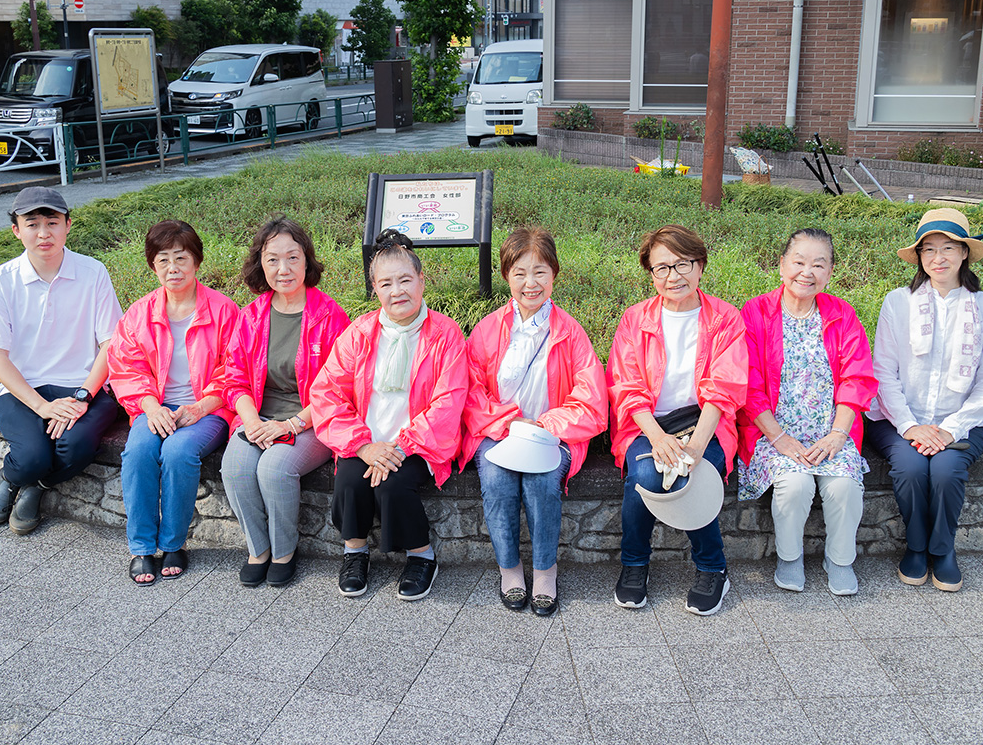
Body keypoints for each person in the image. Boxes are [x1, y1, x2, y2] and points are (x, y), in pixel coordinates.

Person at [310, 229, 468, 602]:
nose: (397, 291)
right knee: (349, 477)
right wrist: (364, 446)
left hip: (418, 443)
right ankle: (354, 551)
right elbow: (327, 393)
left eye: (405, 280)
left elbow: (449, 401)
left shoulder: (445, 334)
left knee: (394, 484)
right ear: (375, 290)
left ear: (421, 280)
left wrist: (399, 448)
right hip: (365, 439)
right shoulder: (360, 334)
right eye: (386, 283)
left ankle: (420, 555)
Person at [460, 227, 607, 616]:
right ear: (507, 275)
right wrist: (508, 423)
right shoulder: (488, 329)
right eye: (520, 273)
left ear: (554, 274)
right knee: (496, 479)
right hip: (498, 431)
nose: (530, 283)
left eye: (540, 272)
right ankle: (509, 569)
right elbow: (471, 392)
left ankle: (545, 571)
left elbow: (592, 401)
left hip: (550, 434)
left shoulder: (570, 332)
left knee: (543, 481)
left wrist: (547, 425)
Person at [608, 224, 748, 615]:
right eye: (662, 268)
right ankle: (634, 564)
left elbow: (725, 386)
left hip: (706, 424)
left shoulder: (725, 318)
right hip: (647, 425)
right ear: (651, 274)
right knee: (645, 478)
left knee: (694, 474)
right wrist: (657, 438)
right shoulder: (635, 319)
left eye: (682, 264)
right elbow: (626, 386)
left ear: (700, 265)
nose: (673, 276)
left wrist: (697, 446)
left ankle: (712, 568)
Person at [866, 209, 983, 592]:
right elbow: (883, 374)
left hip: (959, 422)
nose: (937, 258)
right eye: (928, 249)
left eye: (947, 248)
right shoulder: (898, 302)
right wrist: (911, 426)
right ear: (920, 256)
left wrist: (947, 430)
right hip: (896, 420)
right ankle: (915, 546)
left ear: (964, 253)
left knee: (945, 472)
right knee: (910, 469)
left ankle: (942, 550)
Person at [736, 229, 878, 596]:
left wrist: (838, 434)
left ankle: (841, 559)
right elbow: (748, 385)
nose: (807, 271)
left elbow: (857, 377)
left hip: (831, 433)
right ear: (782, 265)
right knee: (795, 484)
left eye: (818, 264)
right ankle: (789, 558)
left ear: (830, 272)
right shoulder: (756, 312)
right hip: (773, 434)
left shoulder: (841, 314)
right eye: (799, 261)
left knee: (845, 486)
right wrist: (780, 439)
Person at [0, 187, 123, 535]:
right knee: (31, 456)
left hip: (84, 387)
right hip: (24, 391)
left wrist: (83, 396)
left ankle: (33, 487)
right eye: (33, 224)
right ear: (16, 230)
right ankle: (14, 477)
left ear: (68, 226)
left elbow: (111, 344)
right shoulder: (2, 279)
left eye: (52, 222)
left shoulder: (92, 272)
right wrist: (42, 407)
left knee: (75, 447)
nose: (44, 233)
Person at [221, 217, 350, 588]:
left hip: (312, 421)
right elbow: (235, 378)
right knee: (236, 468)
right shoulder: (251, 316)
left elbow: (337, 386)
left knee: (274, 470)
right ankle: (257, 550)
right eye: (273, 259)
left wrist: (291, 425)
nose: (284, 269)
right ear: (261, 264)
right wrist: (251, 422)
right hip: (258, 417)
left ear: (306, 261)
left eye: (292, 258)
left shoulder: (329, 315)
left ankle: (283, 552)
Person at [108, 221, 239, 585]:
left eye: (181, 258)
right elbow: (126, 369)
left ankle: (173, 544)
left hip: (207, 409)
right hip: (154, 407)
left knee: (179, 453)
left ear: (196, 261)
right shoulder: (140, 314)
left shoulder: (224, 310)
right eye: (162, 260)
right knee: (138, 452)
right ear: (153, 266)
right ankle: (141, 548)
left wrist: (198, 408)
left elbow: (235, 371)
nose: (172, 268)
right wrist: (151, 408)